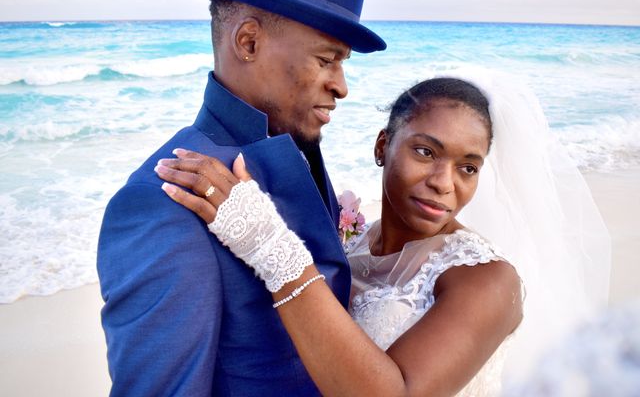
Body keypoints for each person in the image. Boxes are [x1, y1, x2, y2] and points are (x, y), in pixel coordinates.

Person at [157, 76, 611, 395]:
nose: (444, 181)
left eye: (467, 167)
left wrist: (265, 241)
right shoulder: (348, 241)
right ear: (382, 147)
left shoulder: (487, 280)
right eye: (425, 151)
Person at [97, 0, 386, 396]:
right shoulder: (165, 203)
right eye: (326, 59)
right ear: (248, 42)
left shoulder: (294, 147)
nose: (342, 85)